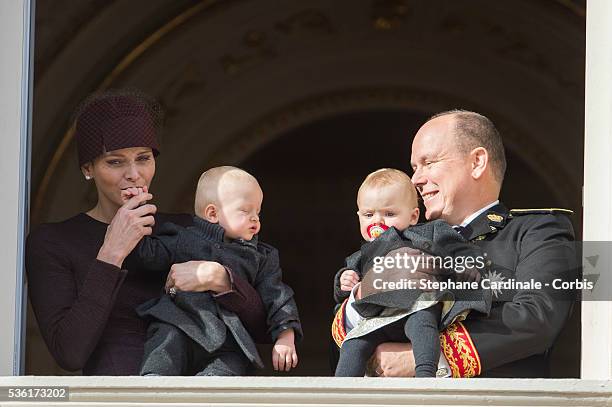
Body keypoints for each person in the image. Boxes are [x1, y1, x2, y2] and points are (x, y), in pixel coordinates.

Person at [25, 89, 268, 375]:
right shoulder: (55, 242)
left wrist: (221, 280)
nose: (133, 174)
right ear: (88, 168)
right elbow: (69, 352)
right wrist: (111, 253)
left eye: (143, 158)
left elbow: (264, 328)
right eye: (115, 161)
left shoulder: (188, 229)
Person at [332, 110, 577, 378]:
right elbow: (343, 332)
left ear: (477, 162)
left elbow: (538, 318)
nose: (415, 180)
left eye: (429, 162)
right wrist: (361, 295)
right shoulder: (399, 237)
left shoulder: (540, 230)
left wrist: (424, 357)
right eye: (414, 168)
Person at [128, 166, 302, 376]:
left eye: (258, 211)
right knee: (165, 340)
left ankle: (209, 390)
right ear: (212, 213)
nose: (255, 218)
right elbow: (148, 255)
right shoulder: (183, 238)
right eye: (246, 211)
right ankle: (154, 385)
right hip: (181, 323)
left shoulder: (261, 257)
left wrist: (285, 334)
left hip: (229, 338)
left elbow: (277, 295)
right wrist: (135, 209)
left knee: (233, 366)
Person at [332, 169, 489, 377]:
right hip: (381, 317)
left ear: (413, 216)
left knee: (422, 325)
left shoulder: (431, 232)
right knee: (354, 343)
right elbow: (345, 290)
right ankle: (342, 391)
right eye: (369, 215)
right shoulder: (363, 254)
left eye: (389, 214)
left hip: (419, 305)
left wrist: (465, 265)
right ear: (359, 216)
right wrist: (344, 280)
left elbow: (457, 249)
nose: (377, 221)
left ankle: (425, 377)